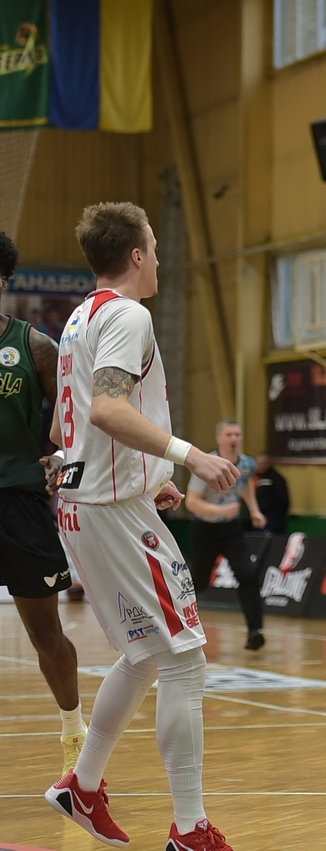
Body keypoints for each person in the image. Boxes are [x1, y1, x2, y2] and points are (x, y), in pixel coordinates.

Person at [44, 202, 241, 850]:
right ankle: (190, 828)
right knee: (184, 656)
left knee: (147, 654)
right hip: (109, 510)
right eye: (154, 246)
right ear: (136, 255)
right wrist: (191, 456)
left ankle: (82, 785)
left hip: (84, 502)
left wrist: (151, 475)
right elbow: (106, 409)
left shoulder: (80, 318)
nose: (159, 257)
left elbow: (67, 428)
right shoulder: (130, 315)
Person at [0, 231, 87, 778]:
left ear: (4, 279)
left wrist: (60, 458)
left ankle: (75, 735)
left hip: (21, 504)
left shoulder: (35, 347)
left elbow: (70, 422)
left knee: (45, 633)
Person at [187, 420, 268, 651]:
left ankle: (255, 631)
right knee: (199, 582)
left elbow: (245, 484)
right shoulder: (207, 465)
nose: (233, 439)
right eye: (229, 434)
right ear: (219, 438)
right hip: (205, 529)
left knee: (247, 573)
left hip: (231, 529)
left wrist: (254, 511)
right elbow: (192, 502)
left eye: (237, 434)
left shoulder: (248, 464)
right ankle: (177, 625)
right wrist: (220, 510)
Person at [253, 454, 290, 533]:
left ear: (270, 463)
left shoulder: (277, 478)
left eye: (264, 463)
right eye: (259, 463)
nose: (261, 466)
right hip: (258, 514)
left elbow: (283, 498)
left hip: (273, 516)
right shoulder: (255, 478)